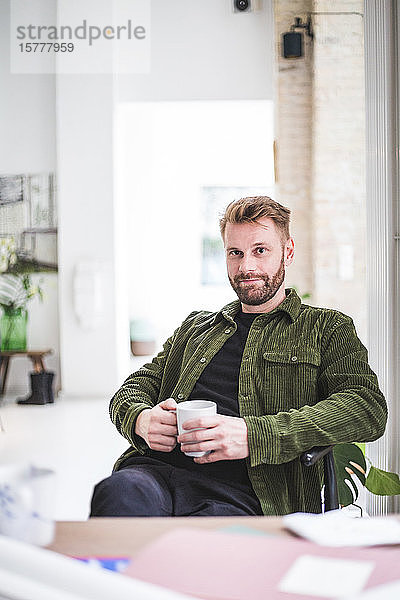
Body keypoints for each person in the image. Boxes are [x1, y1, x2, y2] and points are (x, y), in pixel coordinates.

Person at [90, 196, 387, 517]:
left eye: (260, 250)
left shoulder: (325, 327)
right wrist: (140, 419)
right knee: (118, 494)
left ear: (287, 251)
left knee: (209, 543)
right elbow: (137, 385)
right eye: (236, 253)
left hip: (246, 491)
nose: (246, 267)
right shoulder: (195, 326)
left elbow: (366, 407)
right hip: (153, 474)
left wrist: (253, 435)